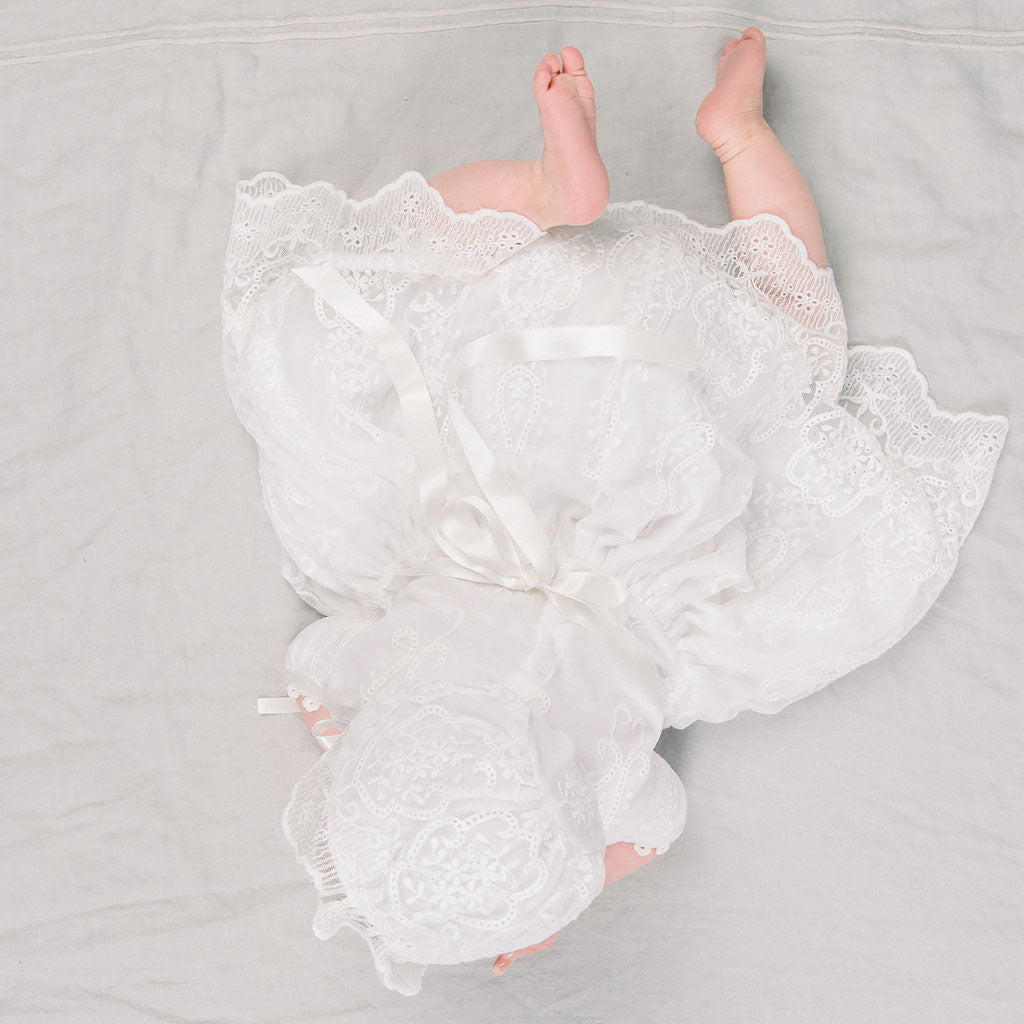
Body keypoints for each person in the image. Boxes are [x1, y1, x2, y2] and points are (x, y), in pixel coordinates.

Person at [221, 27, 1008, 996]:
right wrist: (338, 729)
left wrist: (588, 876)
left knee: (795, 348)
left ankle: (741, 137)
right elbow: (311, 671)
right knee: (372, 290)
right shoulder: (367, 673)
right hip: (502, 451)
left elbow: (656, 824)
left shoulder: (608, 790)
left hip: (648, 511)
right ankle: (536, 197)